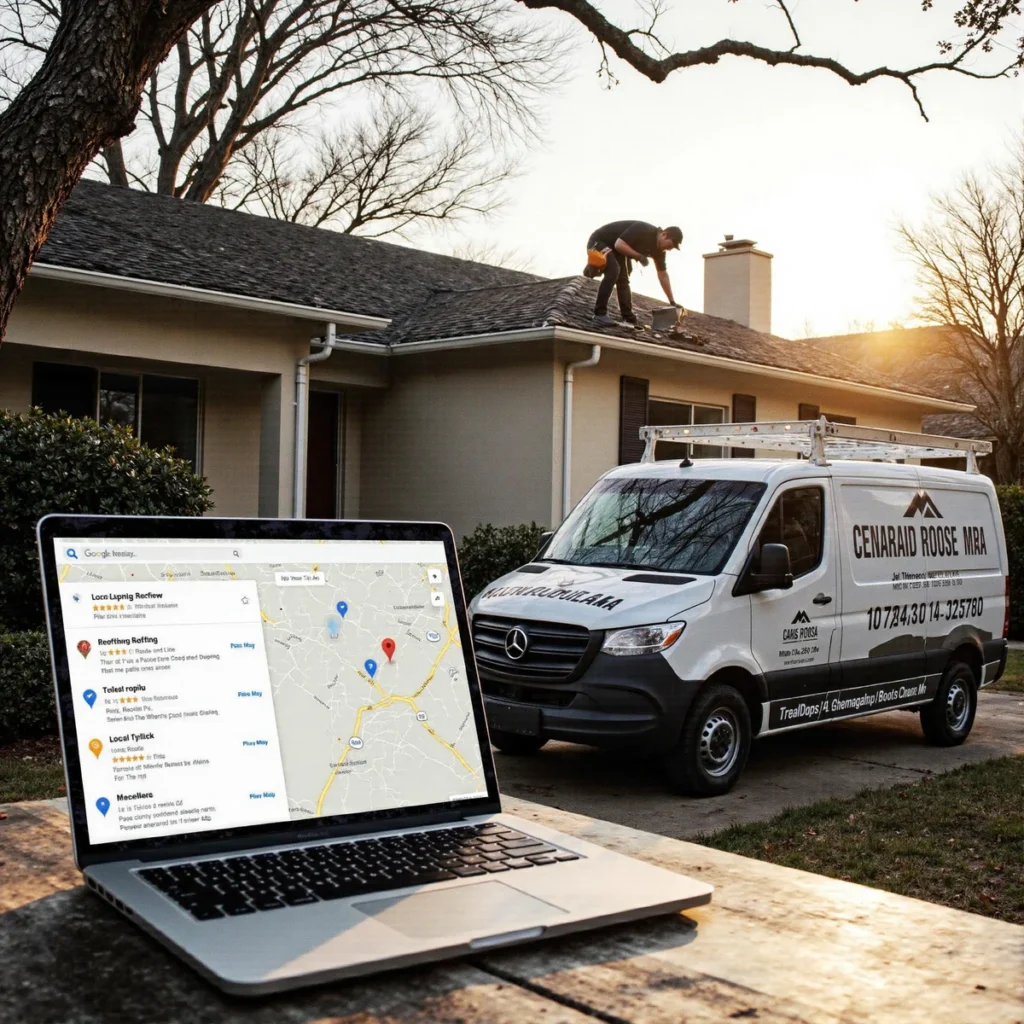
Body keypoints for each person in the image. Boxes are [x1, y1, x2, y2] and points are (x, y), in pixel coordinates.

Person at [584, 221, 682, 327]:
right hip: (599, 241)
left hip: (616, 250)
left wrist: (672, 302)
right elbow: (619, 244)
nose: (668, 249)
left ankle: (628, 317)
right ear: (664, 234)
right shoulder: (644, 229)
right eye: (669, 245)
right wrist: (639, 256)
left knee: (623, 279)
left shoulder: (659, 252)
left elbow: (663, 275)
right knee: (614, 270)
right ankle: (599, 314)